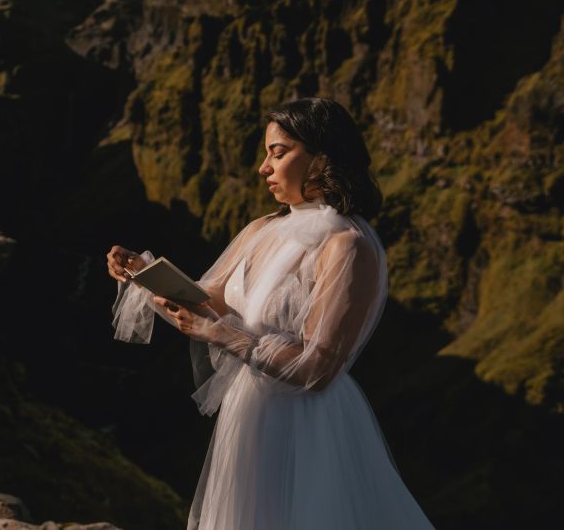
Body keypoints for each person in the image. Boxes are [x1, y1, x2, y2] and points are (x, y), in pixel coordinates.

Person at [106, 98, 433, 529]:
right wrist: (142, 272)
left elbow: (318, 368)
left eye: (278, 153)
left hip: (306, 426)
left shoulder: (347, 246)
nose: (264, 167)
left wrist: (221, 334)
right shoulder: (263, 229)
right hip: (250, 414)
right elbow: (202, 302)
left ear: (322, 157)